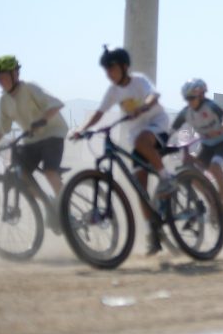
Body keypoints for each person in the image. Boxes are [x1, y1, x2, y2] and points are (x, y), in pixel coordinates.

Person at [71, 46, 171, 255]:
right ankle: (153, 232)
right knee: (140, 187)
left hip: (157, 127)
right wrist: (82, 129)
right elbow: (99, 113)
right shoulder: (113, 91)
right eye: (106, 70)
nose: (109, 73)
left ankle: (166, 178)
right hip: (137, 137)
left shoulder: (139, 81)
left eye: (112, 68)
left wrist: (144, 106)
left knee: (141, 140)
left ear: (125, 67)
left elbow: (153, 96)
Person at [0, 55, 68, 196]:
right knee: (21, 175)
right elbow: (0, 129)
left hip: (53, 134)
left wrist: (42, 120)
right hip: (31, 139)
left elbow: (56, 104)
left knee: (49, 172)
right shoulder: (4, 101)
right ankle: (48, 202)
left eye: (2, 77)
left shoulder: (30, 88)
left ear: (15, 74)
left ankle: (64, 205)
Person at [171, 78, 223, 216]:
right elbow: (171, 130)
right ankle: (212, 202)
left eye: (192, 98)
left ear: (201, 96)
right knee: (192, 174)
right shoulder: (186, 112)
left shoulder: (210, 106)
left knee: (215, 168)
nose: (189, 101)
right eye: (187, 98)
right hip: (207, 148)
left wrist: (220, 129)